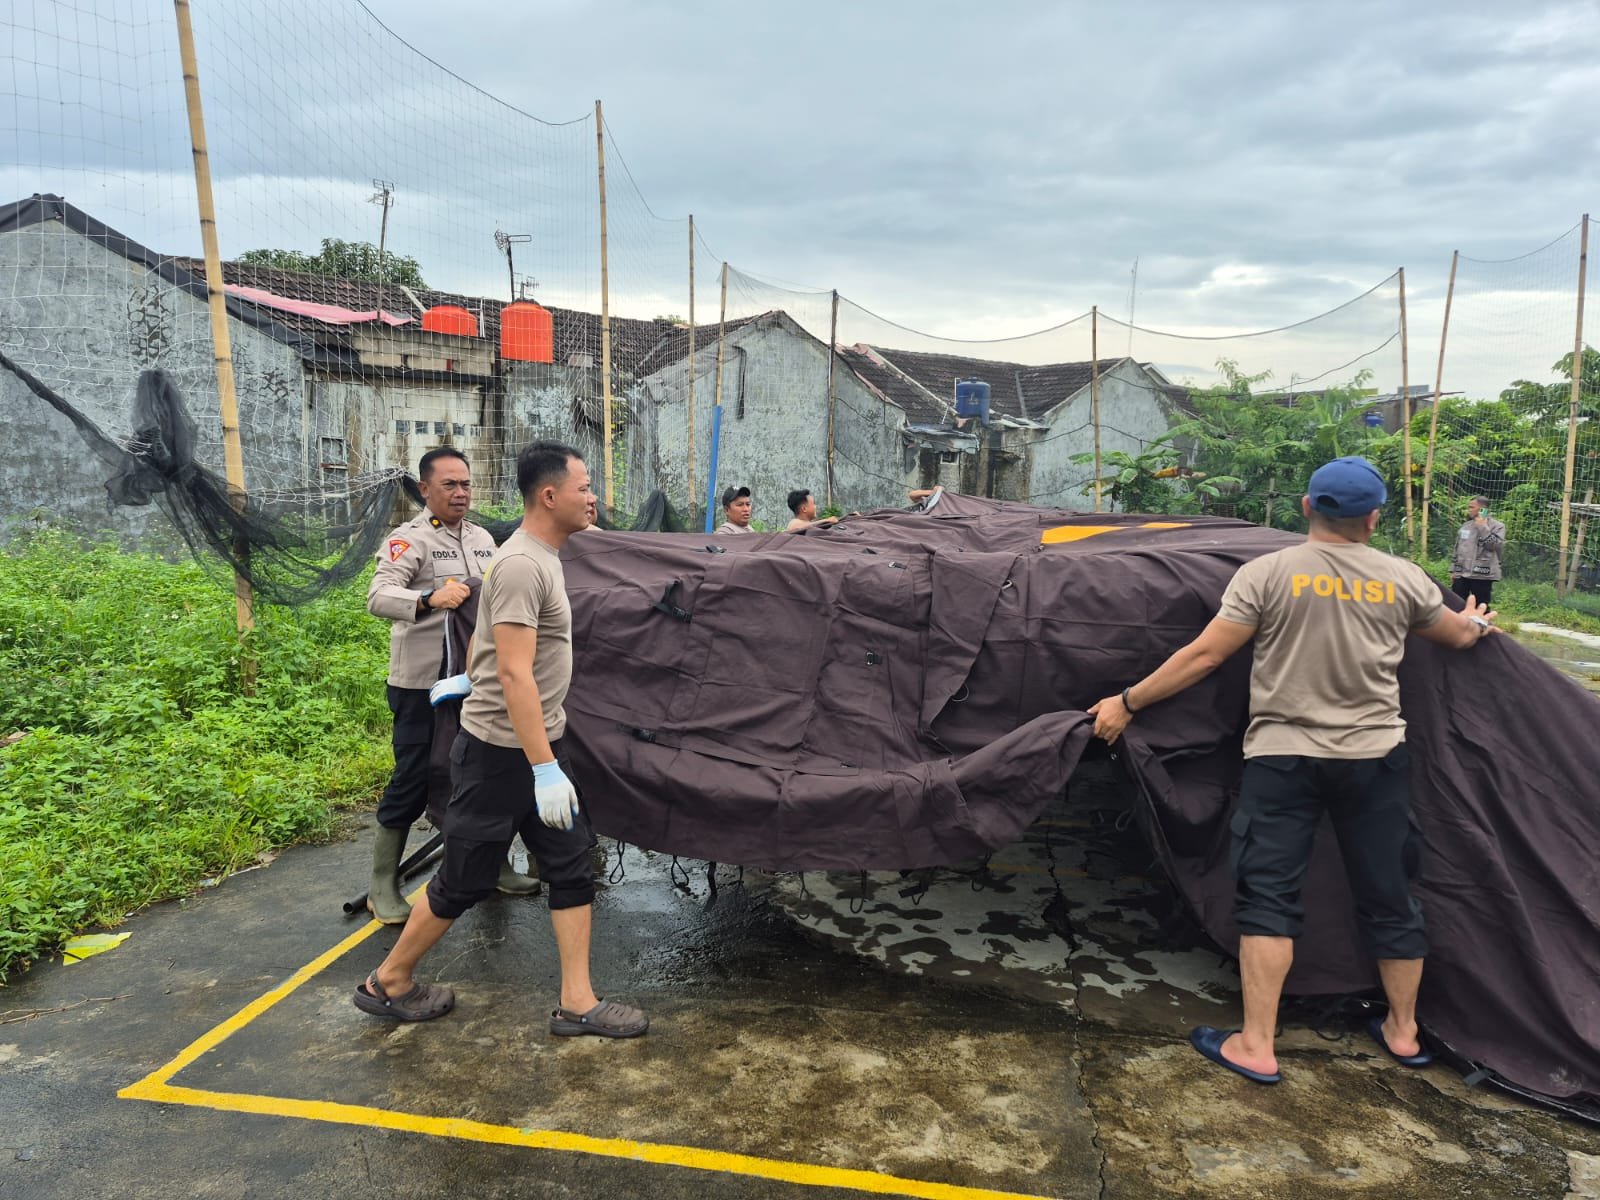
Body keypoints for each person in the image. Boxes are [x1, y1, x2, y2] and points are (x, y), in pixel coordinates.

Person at [1086, 456, 1497, 1085]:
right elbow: (1459, 636)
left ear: (1307, 507)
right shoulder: (1406, 580)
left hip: (1283, 758)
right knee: (1391, 894)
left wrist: (1127, 701)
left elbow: (1202, 656)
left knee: (1269, 897)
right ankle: (1404, 1031)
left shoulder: (1269, 573)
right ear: (1374, 518)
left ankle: (1256, 1044)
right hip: (1374, 759)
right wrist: (1476, 623)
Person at [353, 441, 648, 1037]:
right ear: (549, 495)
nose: (593, 498)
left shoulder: (532, 555)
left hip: (537, 743)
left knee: (568, 867)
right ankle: (388, 982)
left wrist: (474, 676)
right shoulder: (521, 565)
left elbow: (496, 644)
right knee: (463, 879)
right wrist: (543, 768)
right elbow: (515, 672)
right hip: (502, 753)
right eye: (584, 487)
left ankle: (578, 1002)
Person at [363, 448, 538, 925]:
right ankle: (382, 885)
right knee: (414, 777)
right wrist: (428, 597)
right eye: (449, 485)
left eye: (465, 484)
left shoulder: (485, 539)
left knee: (482, 773)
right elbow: (378, 595)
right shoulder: (409, 540)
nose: (460, 493)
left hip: (472, 682)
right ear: (425, 489)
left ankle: (496, 865)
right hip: (421, 684)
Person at [1450, 496, 1505, 607]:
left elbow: (1495, 545)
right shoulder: (1466, 526)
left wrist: (1482, 527)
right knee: (1457, 604)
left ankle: (1482, 624)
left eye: (1472, 507)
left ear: (1482, 509)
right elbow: (1457, 549)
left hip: (1482, 575)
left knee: (1481, 606)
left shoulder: (1497, 526)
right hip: (1462, 574)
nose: (1469, 510)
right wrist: (1453, 570)